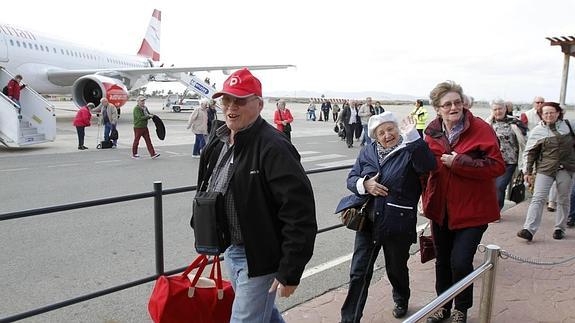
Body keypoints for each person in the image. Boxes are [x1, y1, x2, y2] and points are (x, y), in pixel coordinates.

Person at [197, 68, 316, 322]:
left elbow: (299, 212)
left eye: (239, 100)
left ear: (259, 104)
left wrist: (290, 270)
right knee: (266, 314)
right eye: (226, 100)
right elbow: (208, 186)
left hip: (260, 255)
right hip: (231, 248)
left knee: (245, 319)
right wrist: (205, 230)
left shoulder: (274, 147)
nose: (230, 107)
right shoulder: (218, 140)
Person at [338, 112, 436, 322]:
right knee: (358, 273)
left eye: (390, 129)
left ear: (397, 129)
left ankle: (401, 298)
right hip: (369, 221)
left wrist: (414, 140)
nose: (387, 135)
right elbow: (351, 178)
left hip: (397, 222)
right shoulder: (368, 151)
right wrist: (365, 184)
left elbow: (428, 166)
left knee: (396, 268)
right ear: (375, 136)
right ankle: (349, 319)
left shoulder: (409, 149)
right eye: (381, 132)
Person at [422, 81, 505, 323]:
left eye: (457, 102)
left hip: (473, 211)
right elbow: (424, 170)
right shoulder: (431, 132)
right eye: (446, 104)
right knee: (443, 261)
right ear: (437, 109)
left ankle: (461, 308)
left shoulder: (480, 128)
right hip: (441, 209)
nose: (453, 107)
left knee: (460, 261)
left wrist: (460, 163)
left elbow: (497, 166)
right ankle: (442, 306)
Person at [517, 102, 575, 242]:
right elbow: (530, 153)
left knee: (563, 199)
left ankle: (559, 228)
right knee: (538, 198)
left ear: (558, 113)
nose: (549, 115)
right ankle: (529, 229)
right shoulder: (537, 131)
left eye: (552, 112)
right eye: (545, 113)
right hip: (545, 168)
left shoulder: (569, 126)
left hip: (566, 168)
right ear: (541, 115)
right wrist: (527, 172)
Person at [486, 100, 527, 211]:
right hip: (491, 160)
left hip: (509, 161)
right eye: (495, 109)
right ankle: (488, 209)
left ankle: (496, 210)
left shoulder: (514, 122)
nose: (498, 111)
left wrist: (525, 163)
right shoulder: (487, 123)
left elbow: (524, 141)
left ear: (505, 109)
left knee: (500, 186)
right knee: (489, 187)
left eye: (500, 108)